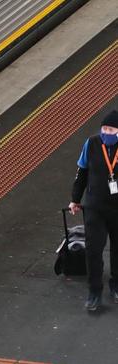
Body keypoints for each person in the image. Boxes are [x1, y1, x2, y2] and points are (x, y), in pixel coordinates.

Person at [69, 109, 118, 311]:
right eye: (104, 128)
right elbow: (81, 173)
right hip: (94, 207)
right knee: (93, 250)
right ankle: (94, 291)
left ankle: (116, 286)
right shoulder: (91, 144)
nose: (107, 132)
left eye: (111, 129)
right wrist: (75, 199)